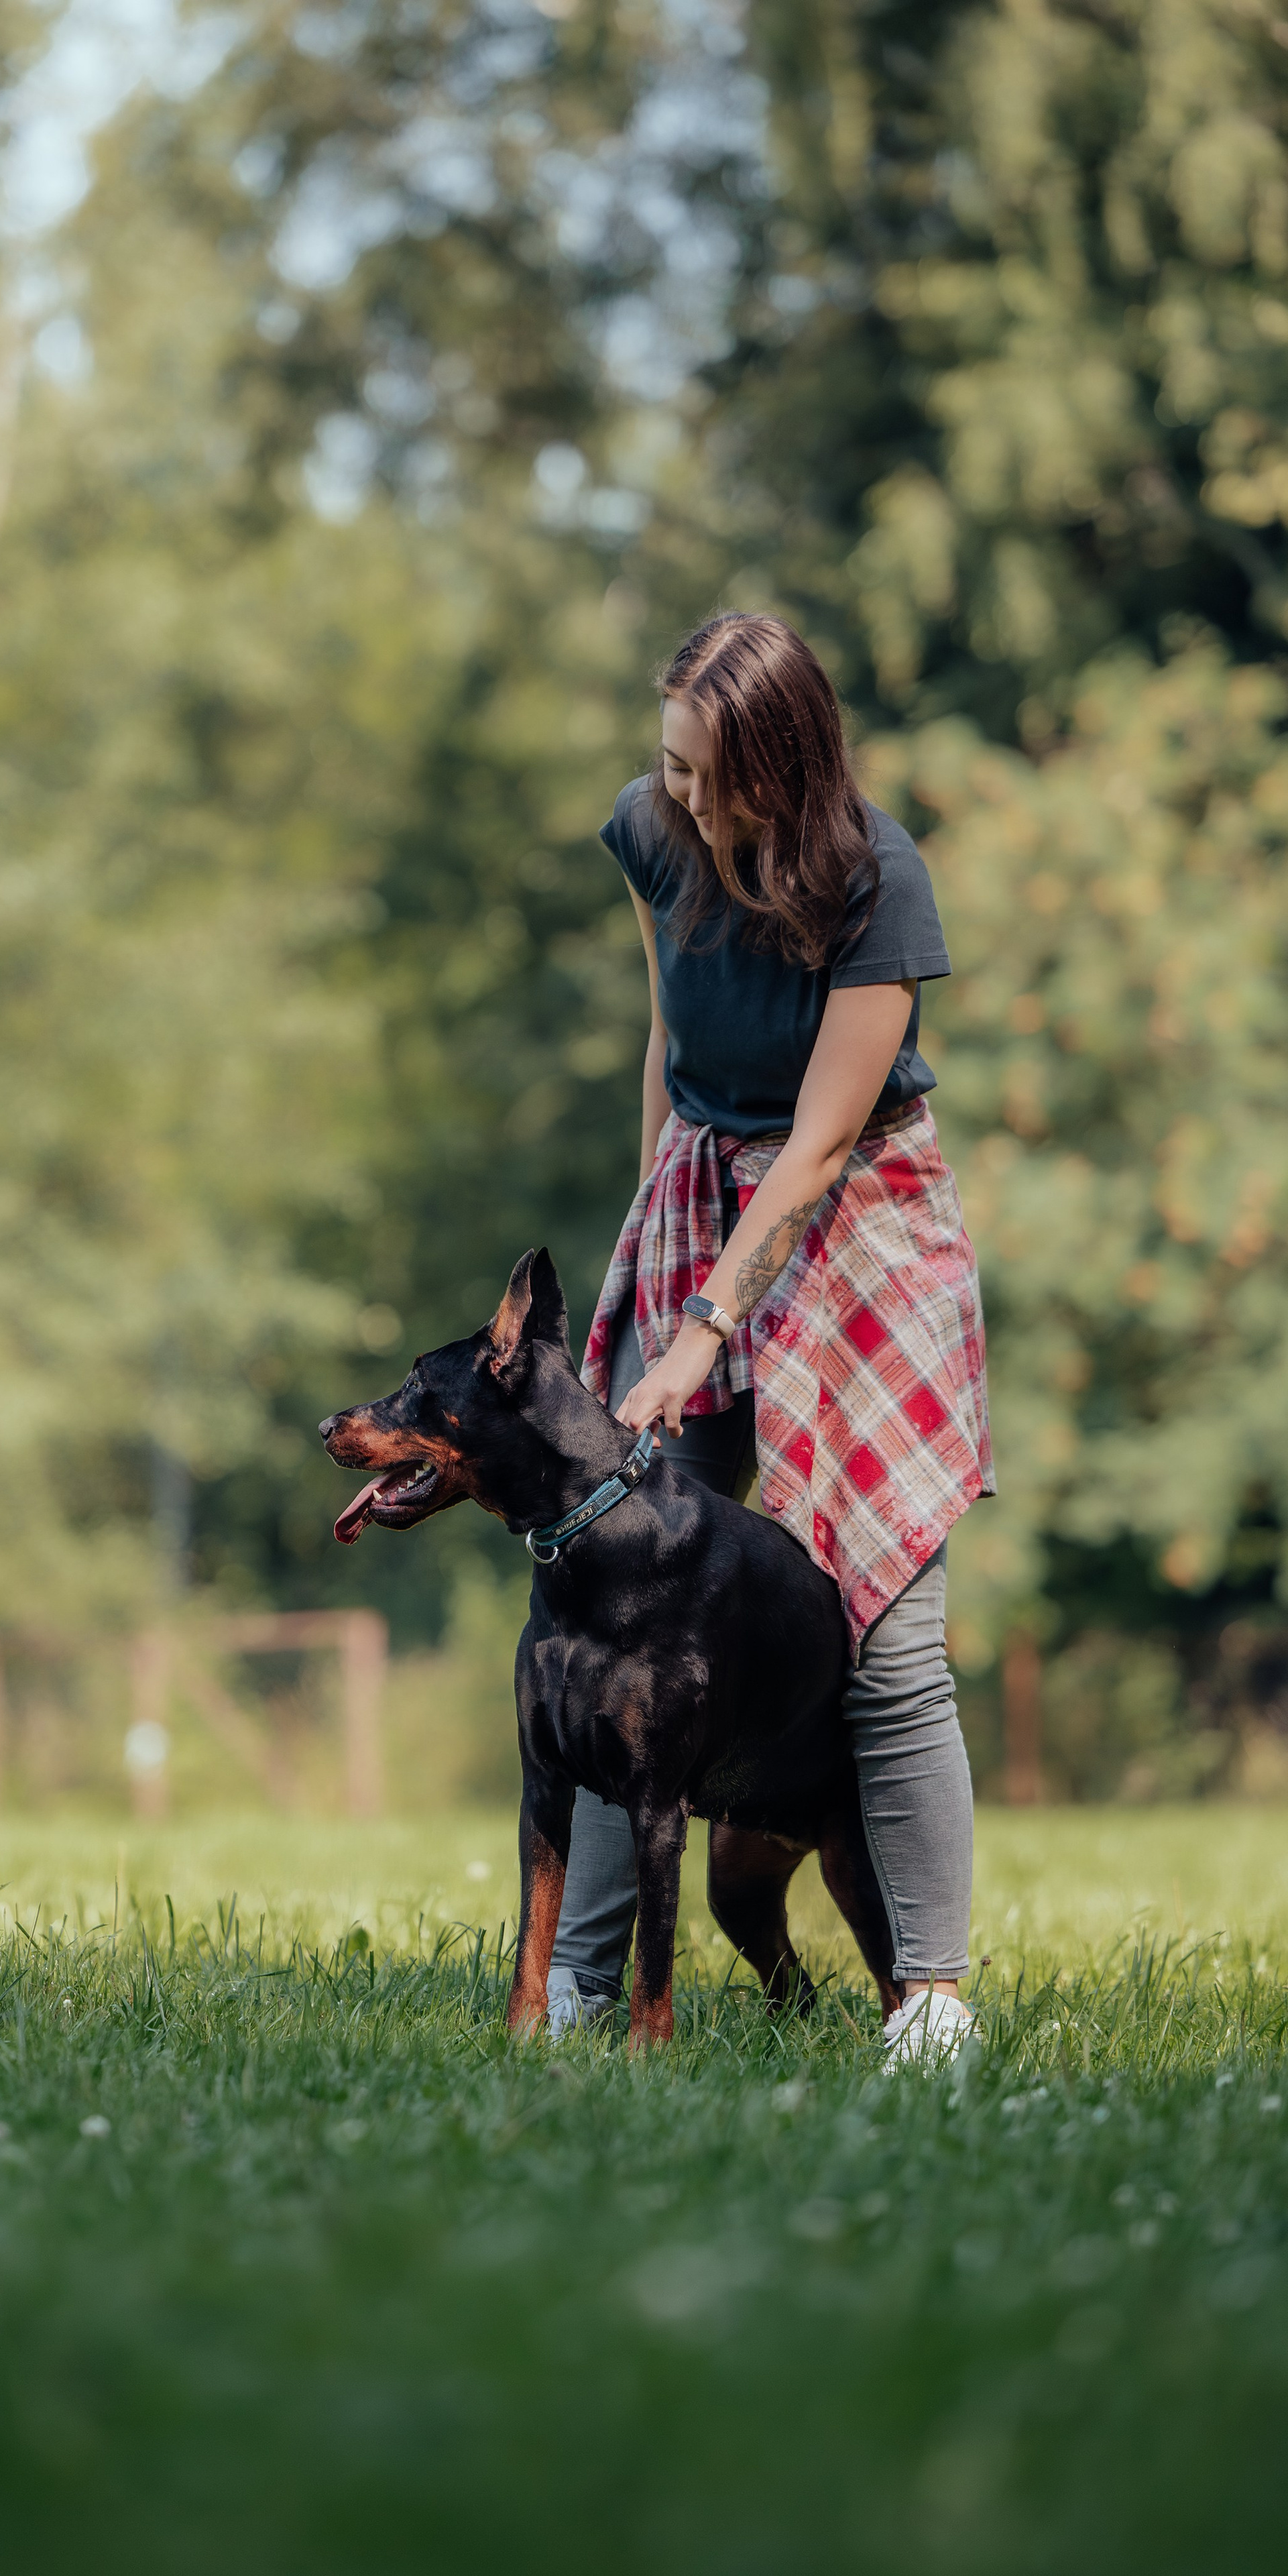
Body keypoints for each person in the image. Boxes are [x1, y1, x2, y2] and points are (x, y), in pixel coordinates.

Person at [546, 611, 994, 2066]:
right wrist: (646, 1229)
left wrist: (702, 1328)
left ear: (777, 767)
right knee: (624, 1595)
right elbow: (666, 1045)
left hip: (855, 1217)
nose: (672, 795)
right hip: (699, 1193)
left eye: (699, 773)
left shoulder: (876, 881)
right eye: (662, 765)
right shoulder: (648, 828)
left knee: (885, 1633)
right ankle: (576, 1988)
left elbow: (816, 1147)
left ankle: (928, 1998)